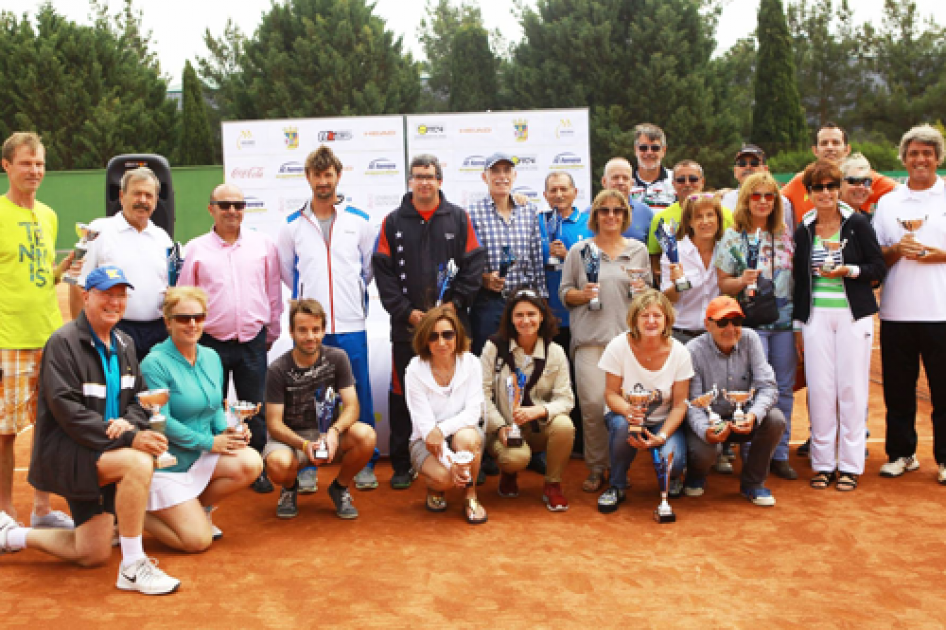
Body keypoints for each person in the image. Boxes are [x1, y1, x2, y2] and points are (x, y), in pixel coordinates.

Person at [1, 266, 180, 595]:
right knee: (138, 462)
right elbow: (66, 411)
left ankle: (10, 537)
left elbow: (140, 399)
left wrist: (131, 422)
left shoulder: (124, 343)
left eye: (120, 295)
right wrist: (129, 436)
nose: (114, 302)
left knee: (91, 552)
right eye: (106, 295)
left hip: (106, 450)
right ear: (86, 296)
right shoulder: (63, 342)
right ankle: (132, 565)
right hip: (70, 454)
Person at [373, 154, 486, 490]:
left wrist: (451, 308)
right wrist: (407, 311)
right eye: (418, 176)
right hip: (407, 326)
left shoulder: (459, 218)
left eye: (430, 176)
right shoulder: (393, 222)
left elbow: (474, 267)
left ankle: (463, 454)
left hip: (450, 326)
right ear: (410, 180)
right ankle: (402, 463)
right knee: (401, 394)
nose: (424, 182)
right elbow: (383, 272)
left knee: (456, 391)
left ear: (440, 179)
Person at [277, 146, 379, 491]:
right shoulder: (292, 225)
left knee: (356, 390)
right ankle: (306, 465)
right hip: (309, 328)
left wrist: (347, 295)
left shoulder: (360, 221)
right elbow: (290, 273)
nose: (323, 181)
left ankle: (364, 463)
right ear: (308, 178)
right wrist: (310, 305)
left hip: (350, 323)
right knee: (304, 396)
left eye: (329, 174)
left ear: (338, 176)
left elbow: (366, 270)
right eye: (317, 175)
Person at [178, 183, 282, 495]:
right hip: (210, 342)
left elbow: (272, 291)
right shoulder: (195, 249)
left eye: (238, 204)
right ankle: (208, 468)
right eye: (224, 205)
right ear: (211, 208)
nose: (232, 211)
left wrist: (272, 330)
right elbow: (185, 296)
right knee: (208, 406)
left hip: (252, 339)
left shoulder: (263, 245)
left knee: (256, 408)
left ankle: (257, 466)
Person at [140, 287, 263, 550]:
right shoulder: (154, 363)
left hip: (201, 455)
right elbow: (162, 420)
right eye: (184, 318)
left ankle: (198, 507)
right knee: (197, 542)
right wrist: (210, 443)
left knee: (251, 462)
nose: (192, 324)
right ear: (168, 322)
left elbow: (215, 406)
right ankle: (133, 512)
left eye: (199, 317)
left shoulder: (211, 357)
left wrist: (228, 432)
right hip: (170, 463)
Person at [792, 160, 886, 492]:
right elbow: (798, 282)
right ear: (809, 193)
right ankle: (822, 464)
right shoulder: (803, 229)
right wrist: (798, 325)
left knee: (851, 389)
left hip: (852, 315)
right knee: (819, 390)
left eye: (832, 186)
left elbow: (878, 267)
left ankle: (849, 465)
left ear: (839, 189)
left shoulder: (858, 223)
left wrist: (849, 271)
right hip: (816, 317)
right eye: (819, 188)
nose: (826, 193)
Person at [0, 132, 75, 530]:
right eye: (26, 163)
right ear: (7, 166)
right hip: (8, 340)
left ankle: (42, 509)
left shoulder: (48, 215)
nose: (35, 170)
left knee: (51, 423)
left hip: (51, 337)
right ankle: (4, 511)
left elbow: (42, 277)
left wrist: (66, 269)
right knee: (5, 432)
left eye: (40, 163)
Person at [560, 190, 650, 493]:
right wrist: (582, 294)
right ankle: (597, 467)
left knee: (624, 410)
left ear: (625, 215)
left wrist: (641, 291)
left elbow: (648, 295)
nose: (610, 216)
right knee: (592, 406)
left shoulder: (638, 251)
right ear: (595, 216)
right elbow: (564, 294)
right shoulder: (579, 250)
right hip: (590, 342)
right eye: (604, 211)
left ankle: (619, 468)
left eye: (616, 211)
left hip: (628, 344)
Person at [872, 124, 946, 485]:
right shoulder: (888, 203)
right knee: (898, 389)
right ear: (904, 158)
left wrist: (941, 255)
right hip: (897, 312)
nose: (920, 159)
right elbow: (876, 256)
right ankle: (902, 454)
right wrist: (894, 251)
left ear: (937, 158)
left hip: (941, 312)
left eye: (927, 153)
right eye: (914, 153)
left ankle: (945, 460)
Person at [716, 172, 798, 481]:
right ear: (745, 200)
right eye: (756, 195)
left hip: (785, 323)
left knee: (785, 389)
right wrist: (742, 281)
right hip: (751, 325)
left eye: (769, 196)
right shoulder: (733, 237)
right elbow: (723, 283)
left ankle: (779, 454)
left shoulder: (787, 235)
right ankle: (753, 456)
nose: (763, 201)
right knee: (754, 390)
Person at [262, 299, 376, 519]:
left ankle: (340, 488)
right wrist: (304, 445)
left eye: (316, 330)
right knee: (277, 465)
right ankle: (289, 487)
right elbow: (274, 423)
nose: (310, 337)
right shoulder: (277, 369)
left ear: (324, 331)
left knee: (366, 436)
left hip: (329, 435)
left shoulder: (338, 358)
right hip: (292, 441)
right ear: (291, 332)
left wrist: (334, 432)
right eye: (302, 330)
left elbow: (352, 406)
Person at [597, 290, 692, 513]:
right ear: (634, 319)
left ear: (666, 319)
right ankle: (616, 485)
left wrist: (661, 436)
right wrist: (629, 411)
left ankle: (673, 477)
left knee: (674, 459)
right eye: (644, 315)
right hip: (624, 415)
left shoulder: (680, 352)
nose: (651, 321)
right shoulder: (618, 346)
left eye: (657, 316)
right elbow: (610, 394)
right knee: (622, 427)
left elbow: (680, 404)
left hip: (663, 420)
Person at [683, 296, 785, 506]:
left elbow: (767, 386)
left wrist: (753, 415)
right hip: (710, 420)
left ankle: (753, 483)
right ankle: (696, 474)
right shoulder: (692, 350)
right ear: (707, 325)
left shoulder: (751, 339)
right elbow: (693, 403)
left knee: (775, 419)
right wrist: (705, 431)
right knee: (704, 452)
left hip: (742, 417)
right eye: (722, 322)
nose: (731, 328)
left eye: (736, 321)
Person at [481, 290, 575, 511]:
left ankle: (553, 485)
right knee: (515, 458)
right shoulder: (493, 348)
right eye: (519, 315)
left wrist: (540, 411)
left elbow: (566, 399)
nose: (525, 321)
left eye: (531, 314)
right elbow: (481, 394)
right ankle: (509, 473)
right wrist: (501, 426)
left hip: (539, 426)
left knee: (564, 426)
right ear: (510, 319)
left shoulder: (555, 352)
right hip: (504, 429)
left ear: (542, 316)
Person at [72, 166, 173, 363]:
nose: (142, 200)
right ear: (122, 196)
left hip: (158, 334)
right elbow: (79, 284)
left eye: (148, 195)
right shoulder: (99, 230)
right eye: (137, 193)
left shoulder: (163, 238)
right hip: (113, 329)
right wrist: (80, 335)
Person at [405, 306, 487, 524]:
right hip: (425, 440)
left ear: (457, 335)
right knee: (445, 479)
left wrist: (441, 430)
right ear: (425, 340)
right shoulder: (414, 370)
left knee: (467, 438)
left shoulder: (472, 363)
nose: (441, 342)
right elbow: (425, 429)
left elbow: (473, 412)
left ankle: (471, 496)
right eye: (433, 336)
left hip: (458, 432)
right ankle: (436, 488)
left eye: (447, 335)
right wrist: (454, 467)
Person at [468, 152, 548, 355]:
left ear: (514, 176)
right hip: (488, 303)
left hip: (522, 302)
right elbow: (466, 262)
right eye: (495, 171)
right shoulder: (472, 213)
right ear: (485, 177)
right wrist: (483, 279)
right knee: (487, 360)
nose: (501, 176)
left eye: (506, 171)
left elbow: (535, 259)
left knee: (523, 360)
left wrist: (541, 299)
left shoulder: (528, 210)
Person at [537, 171, 591, 454]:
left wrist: (568, 253)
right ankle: (549, 441)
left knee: (579, 381)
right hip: (546, 319)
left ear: (575, 192)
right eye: (553, 190)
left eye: (564, 189)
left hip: (579, 318)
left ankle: (581, 441)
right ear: (545, 195)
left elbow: (595, 265)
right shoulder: (537, 223)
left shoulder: (587, 224)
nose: (558, 194)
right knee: (549, 381)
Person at [781, 122, 897, 224]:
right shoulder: (801, 179)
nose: (830, 147)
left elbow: (902, 192)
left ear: (847, 149)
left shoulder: (862, 177)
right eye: (824, 143)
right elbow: (773, 200)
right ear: (815, 150)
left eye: (836, 143)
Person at [646, 159, 733, 280]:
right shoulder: (660, 218)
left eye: (693, 179)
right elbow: (654, 256)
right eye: (681, 180)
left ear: (702, 181)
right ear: (673, 184)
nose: (687, 184)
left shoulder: (725, 214)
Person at [660, 192, 724, 345]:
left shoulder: (726, 251)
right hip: (680, 336)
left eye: (710, 215)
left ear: (718, 219)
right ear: (689, 222)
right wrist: (676, 285)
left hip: (715, 336)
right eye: (698, 216)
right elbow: (666, 300)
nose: (705, 221)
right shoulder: (675, 253)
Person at [721, 144, 794, 234]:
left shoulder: (782, 202)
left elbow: (790, 236)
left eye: (754, 163)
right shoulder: (725, 200)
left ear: (765, 169)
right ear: (735, 171)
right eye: (742, 163)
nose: (748, 167)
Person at [596, 157, 654, 245]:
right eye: (615, 177)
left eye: (625, 178)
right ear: (604, 182)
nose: (620, 182)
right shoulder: (590, 213)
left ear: (631, 183)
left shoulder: (646, 213)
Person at [630, 123, 676, 210]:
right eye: (643, 148)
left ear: (664, 151)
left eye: (655, 148)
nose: (649, 152)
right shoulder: (624, 182)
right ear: (635, 150)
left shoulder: (676, 181)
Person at [839, 153, 877, 218]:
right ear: (839, 184)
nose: (861, 187)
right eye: (854, 181)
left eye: (866, 181)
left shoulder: (871, 221)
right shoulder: (827, 219)